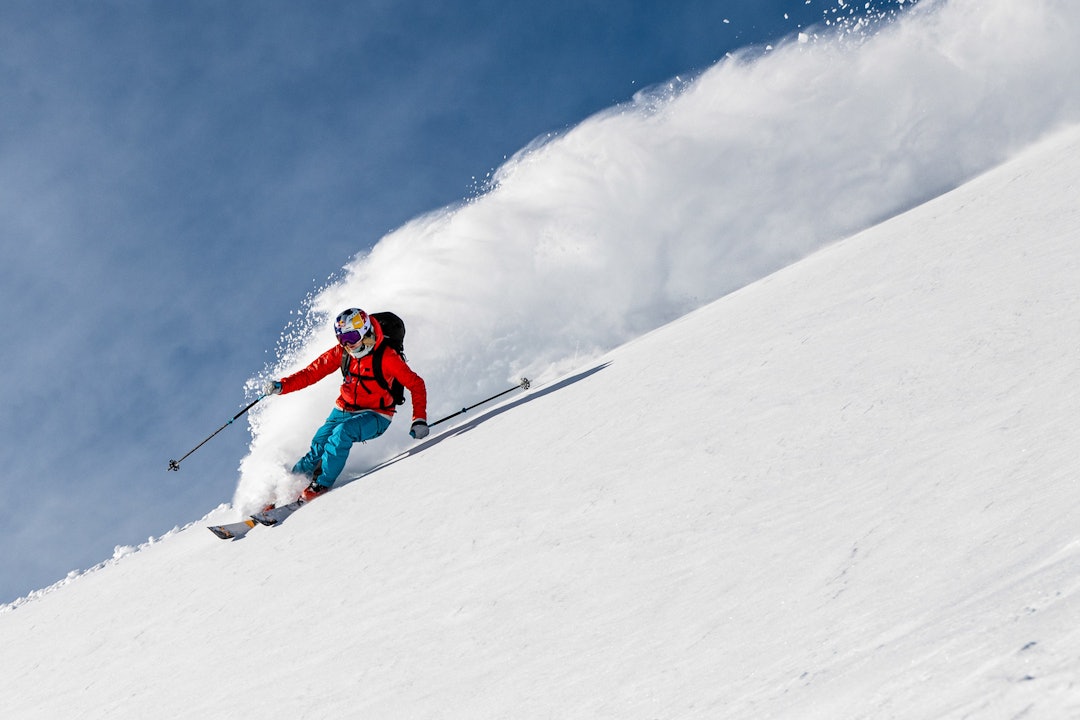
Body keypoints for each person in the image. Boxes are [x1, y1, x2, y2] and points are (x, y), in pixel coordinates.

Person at [262, 308, 428, 502]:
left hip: (377, 414)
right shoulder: (343, 352)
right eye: (342, 338)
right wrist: (282, 386)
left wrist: (419, 419)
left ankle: (321, 484)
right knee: (318, 445)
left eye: (351, 336)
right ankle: (285, 490)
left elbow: (416, 384)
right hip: (344, 408)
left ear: (365, 331)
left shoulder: (387, 357)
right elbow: (312, 372)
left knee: (341, 434)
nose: (347, 343)